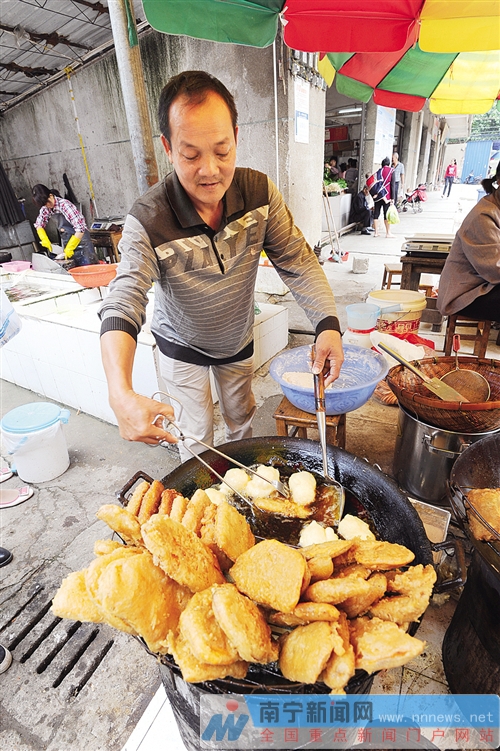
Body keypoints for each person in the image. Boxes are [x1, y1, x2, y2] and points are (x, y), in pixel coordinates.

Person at [99, 70, 344, 461]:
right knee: (194, 438)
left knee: (242, 422)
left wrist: (328, 326)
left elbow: (297, 260)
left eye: (222, 150)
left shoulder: (259, 193)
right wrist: (119, 391)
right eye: (191, 154)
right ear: (167, 147)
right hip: (181, 347)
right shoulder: (148, 218)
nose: (210, 170)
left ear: (236, 136)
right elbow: (123, 300)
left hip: (236, 340)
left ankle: (240, 493)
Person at [437, 162, 500, 322]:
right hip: (466, 294)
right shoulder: (484, 216)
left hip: (487, 285)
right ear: (499, 181)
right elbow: (496, 269)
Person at [32, 184, 99, 267]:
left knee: (89, 269)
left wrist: (71, 247)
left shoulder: (64, 205)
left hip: (82, 242)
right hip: (67, 243)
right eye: (44, 205)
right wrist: (44, 238)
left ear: (51, 195)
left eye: (47, 202)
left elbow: (80, 228)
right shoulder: (46, 208)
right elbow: (39, 224)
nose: (47, 206)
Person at [370, 157, 395, 238]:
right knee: (386, 214)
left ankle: (376, 232)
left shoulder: (378, 171)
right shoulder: (391, 171)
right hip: (386, 195)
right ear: (388, 164)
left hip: (378, 195)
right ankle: (388, 233)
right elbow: (392, 185)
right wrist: (393, 198)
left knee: (376, 213)